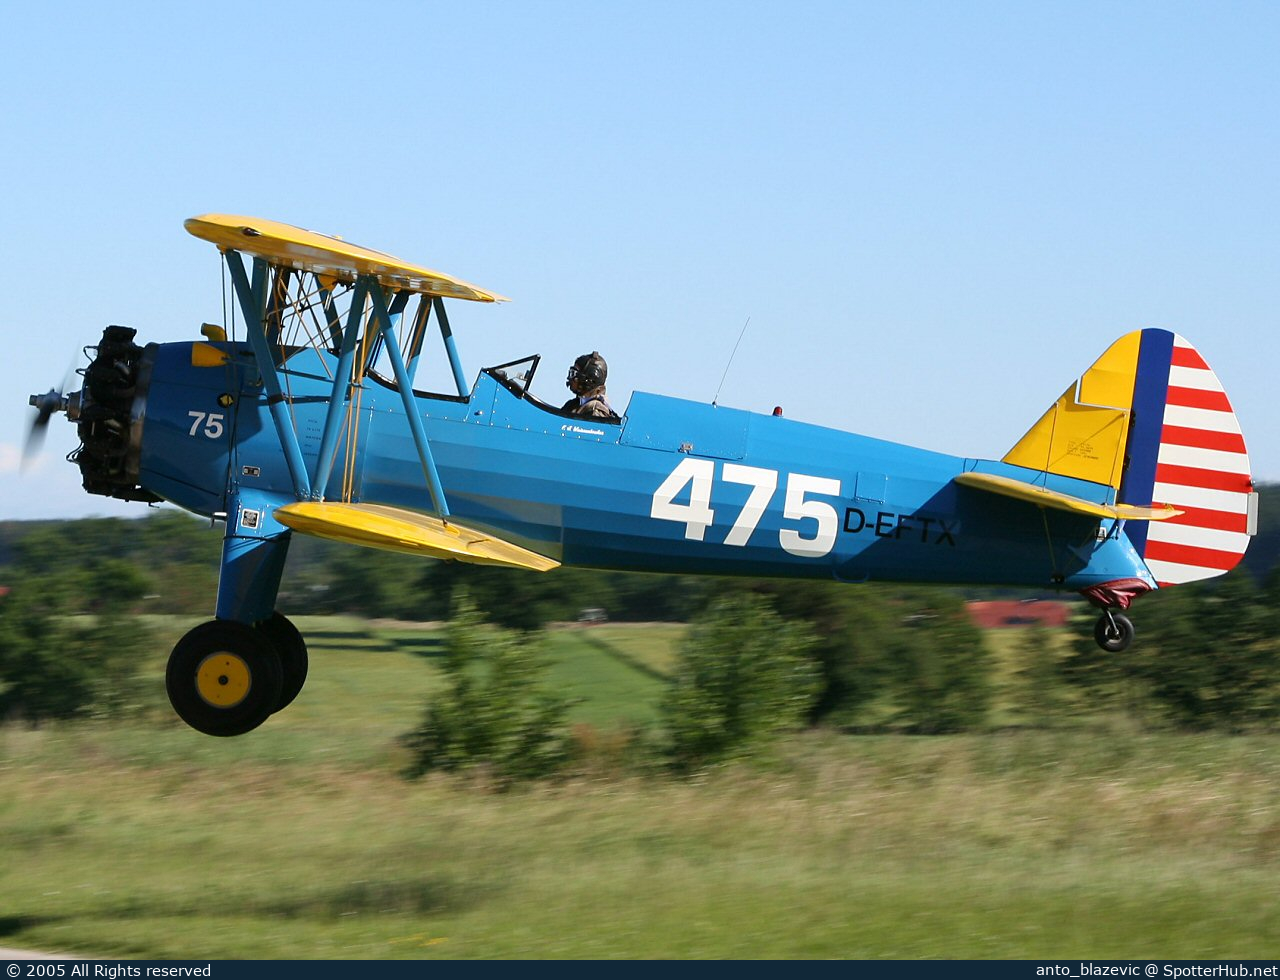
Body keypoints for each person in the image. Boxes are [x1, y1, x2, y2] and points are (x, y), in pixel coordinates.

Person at [561, 351, 618, 419]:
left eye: (574, 373)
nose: (570, 378)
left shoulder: (596, 411)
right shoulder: (571, 405)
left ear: (588, 380)